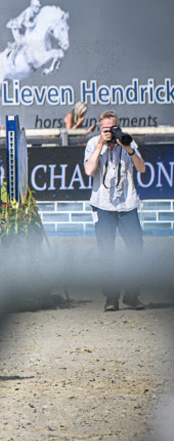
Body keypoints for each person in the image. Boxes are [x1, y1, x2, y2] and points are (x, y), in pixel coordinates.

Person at [83, 109, 147, 311]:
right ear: (100, 129)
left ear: (118, 127)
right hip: (102, 205)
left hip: (127, 204)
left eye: (112, 129)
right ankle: (111, 298)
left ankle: (132, 294)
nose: (109, 132)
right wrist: (101, 143)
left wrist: (128, 148)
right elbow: (88, 170)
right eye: (105, 129)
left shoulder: (128, 142)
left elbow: (142, 168)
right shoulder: (94, 143)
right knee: (106, 251)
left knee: (136, 247)